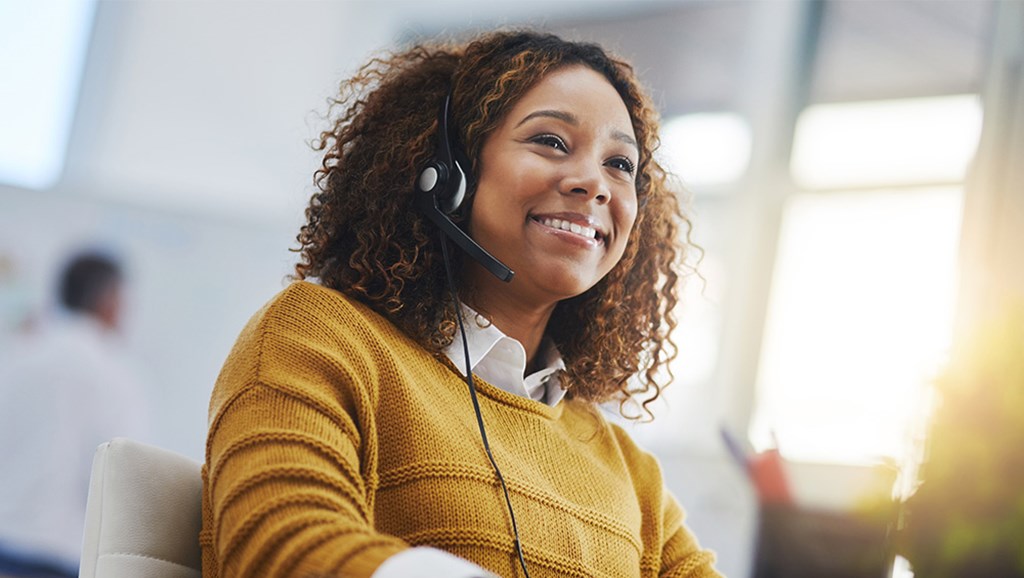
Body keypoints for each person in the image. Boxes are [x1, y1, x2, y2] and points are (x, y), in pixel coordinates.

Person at [201, 30, 722, 578]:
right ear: (447, 173)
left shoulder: (624, 465)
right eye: (550, 141)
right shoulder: (320, 336)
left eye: (621, 165)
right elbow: (279, 548)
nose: (594, 183)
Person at [0, 251, 151, 577]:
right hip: (61, 559)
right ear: (110, 300)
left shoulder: (19, 354)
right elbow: (121, 483)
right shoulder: (115, 373)